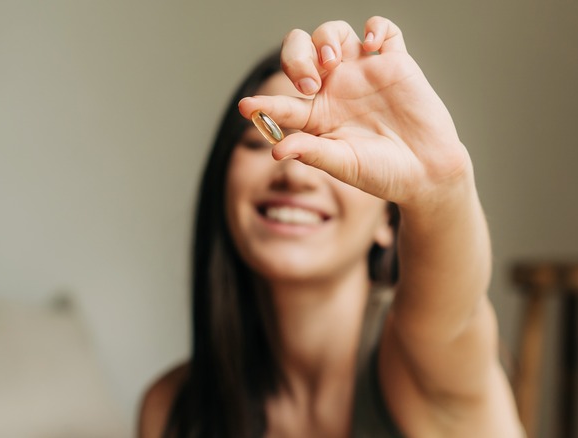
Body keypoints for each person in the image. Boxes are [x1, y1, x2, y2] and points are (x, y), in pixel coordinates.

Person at [139, 16, 522, 438]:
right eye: (258, 142)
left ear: (388, 223)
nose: (295, 173)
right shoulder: (174, 410)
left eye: (332, 152)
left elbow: (454, 318)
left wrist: (440, 187)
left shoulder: (419, 366)